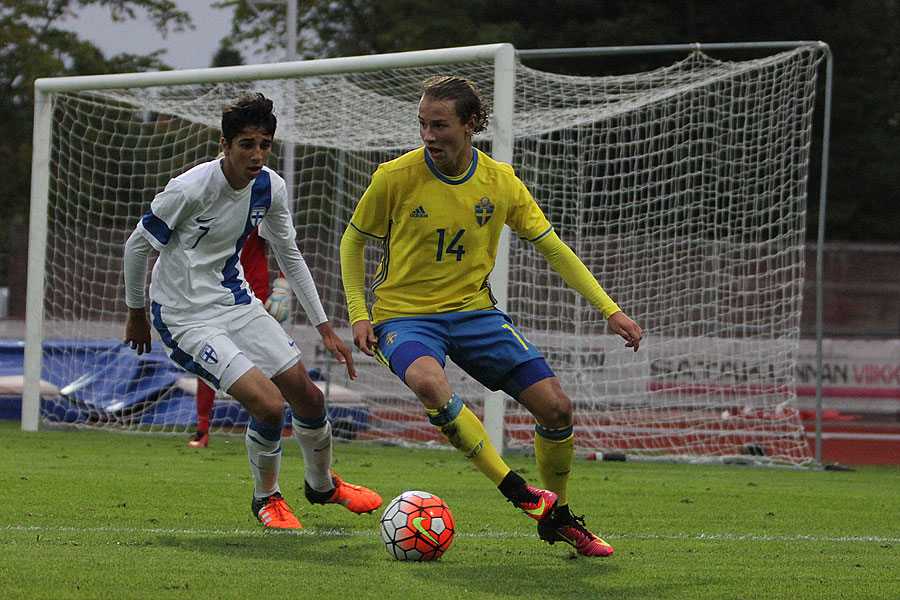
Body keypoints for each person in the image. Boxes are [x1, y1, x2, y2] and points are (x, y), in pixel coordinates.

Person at [340, 75, 643, 557]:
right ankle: (520, 493)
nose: (428, 136)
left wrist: (610, 310)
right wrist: (359, 314)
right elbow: (353, 241)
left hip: (474, 314)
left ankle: (556, 516)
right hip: (404, 317)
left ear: (473, 124)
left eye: (439, 125)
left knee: (557, 407)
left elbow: (554, 250)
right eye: (422, 124)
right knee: (428, 382)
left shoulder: (501, 182)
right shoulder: (394, 177)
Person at [123, 92, 382, 528]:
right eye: (246, 144)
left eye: (264, 144)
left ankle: (322, 486)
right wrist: (136, 313)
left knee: (310, 398)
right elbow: (136, 246)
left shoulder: (270, 187)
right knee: (268, 405)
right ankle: (267, 499)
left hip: (237, 303)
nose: (256, 154)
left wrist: (324, 327)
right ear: (224, 146)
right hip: (185, 317)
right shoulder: (189, 189)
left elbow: (290, 255)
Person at [189, 213, 291, 448]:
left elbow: (285, 245)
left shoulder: (260, 203)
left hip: (254, 296)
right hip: (215, 293)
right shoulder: (211, 203)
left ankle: (272, 424)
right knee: (209, 355)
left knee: (269, 361)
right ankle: (202, 427)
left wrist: (283, 287)